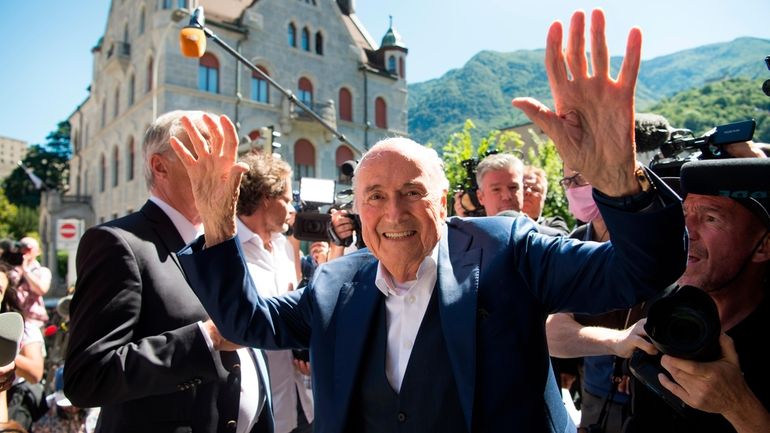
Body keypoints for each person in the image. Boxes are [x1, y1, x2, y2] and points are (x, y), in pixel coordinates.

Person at [171, 9, 687, 433]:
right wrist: (217, 227)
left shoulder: (509, 249)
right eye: (374, 196)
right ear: (357, 208)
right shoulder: (333, 283)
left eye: (412, 192)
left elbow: (639, 272)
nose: (393, 212)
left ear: (442, 203)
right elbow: (248, 322)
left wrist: (620, 179)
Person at [63, 110, 272, 433]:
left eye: (225, 154)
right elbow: (89, 376)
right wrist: (207, 339)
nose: (222, 166)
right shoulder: (119, 244)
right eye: (202, 152)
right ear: (160, 166)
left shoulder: (223, 243)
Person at [547, 158, 770, 433]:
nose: (687, 232)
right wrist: (617, 340)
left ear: (763, 246)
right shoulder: (657, 295)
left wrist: (738, 405)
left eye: (712, 218)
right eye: (684, 214)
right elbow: (552, 332)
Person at [235, 152, 314, 433]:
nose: (292, 208)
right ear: (267, 196)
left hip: (304, 402)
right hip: (261, 413)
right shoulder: (227, 251)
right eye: (287, 199)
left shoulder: (283, 245)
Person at [14, 238, 51, 329]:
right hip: (14, 319)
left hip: (34, 321)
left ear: (37, 251)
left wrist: (25, 270)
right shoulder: (11, 270)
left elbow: (41, 290)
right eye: (22, 248)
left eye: (29, 249)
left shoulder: (43, 271)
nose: (25, 252)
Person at [522, 165, 570, 235]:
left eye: (535, 189)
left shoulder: (555, 225)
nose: (528, 191)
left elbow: (562, 239)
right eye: (524, 187)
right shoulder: (503, 220)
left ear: (544, 197)